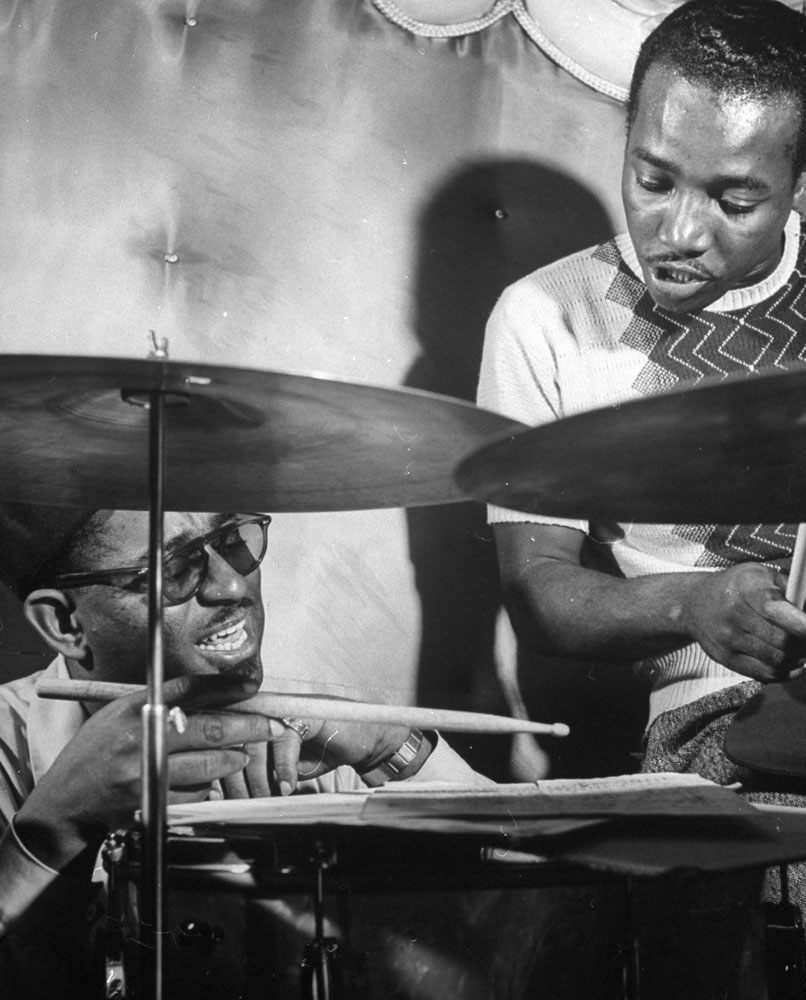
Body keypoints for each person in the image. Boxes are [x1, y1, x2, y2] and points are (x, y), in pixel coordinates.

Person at [478, 0, 806, 903]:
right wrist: (693, 604)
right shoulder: (548, 318)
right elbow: (539, 596)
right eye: (653, 180)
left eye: (736, 201)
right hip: (719, 720)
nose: (681, 231)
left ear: (797, 182)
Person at [0, 504, 488, 997]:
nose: (233, 587)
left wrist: (390, 747)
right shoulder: (6, 744)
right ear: (66, 625)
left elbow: (512, 912)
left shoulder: (310, 738)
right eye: (173, 568)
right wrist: (53, 832)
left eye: (233, 541)